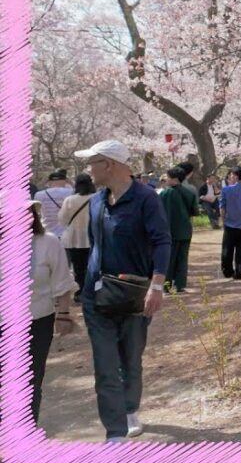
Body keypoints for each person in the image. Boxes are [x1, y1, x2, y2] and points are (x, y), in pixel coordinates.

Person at [74, 139, 170, 442]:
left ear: (109, 165)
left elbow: (162, 242)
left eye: (92, 162)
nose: (88, 170)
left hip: (134, 296)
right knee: (105, 365)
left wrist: (156, 286)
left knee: (131, 358)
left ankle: (130, 410)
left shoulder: (146, 199)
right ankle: (114, 434)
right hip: (96, 297)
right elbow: (95, 245)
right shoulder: (96, 201)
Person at [27, 200, 78, 425]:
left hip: (36, 322)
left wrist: (64, 315)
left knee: (29, 382)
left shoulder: (47, 243)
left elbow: (61, 281)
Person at [159, 167, 199, 294]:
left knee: (169, 259)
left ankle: (166, 285)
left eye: (168, 177)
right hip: (186, 230)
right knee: (182, 258)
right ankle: (180, 285)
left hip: (169, 231)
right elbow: (194, 211)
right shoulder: (190, 192)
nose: (166, 179)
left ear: (174, 179)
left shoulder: (165, 194)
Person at [59, 172, 96, 302]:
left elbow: (62, 220)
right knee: (93, 266)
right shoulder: (97, 197)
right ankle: (92, 291)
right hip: (92, 237)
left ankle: (80, 292)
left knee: (78, 267)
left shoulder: (70, 200)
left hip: (73, 238)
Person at [35, 168, 73, 239]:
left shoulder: (39, 195)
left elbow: (37, 213)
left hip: (47, 232)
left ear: (49, 182)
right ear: (65, 181)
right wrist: (70, 182)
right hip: (65, 233)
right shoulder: (70, 192)